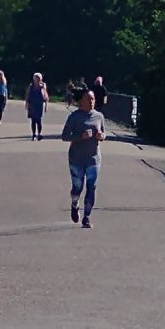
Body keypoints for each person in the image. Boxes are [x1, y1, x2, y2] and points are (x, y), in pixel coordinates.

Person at [61, 88, 105, 228]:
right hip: (76, 158)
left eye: (93, 99)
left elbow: (103, 134)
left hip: (93, 158)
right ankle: (74, 204)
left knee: (91, 187)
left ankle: (86, 217)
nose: (91, 102)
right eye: (88, 99)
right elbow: (64, 136)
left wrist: (101, 136)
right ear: (81, 101)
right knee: (77, 187)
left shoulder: (99, 116)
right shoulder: (74, 117)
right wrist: (81, 136)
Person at [25, 72, 49, 140]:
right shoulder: (30, 86)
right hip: (32, 104)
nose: (36, 79)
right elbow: (27, 95)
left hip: (39, 105)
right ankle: (33, 134)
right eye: (35, 78)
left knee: (38, 120)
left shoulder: (43, 86)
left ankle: (39, 134)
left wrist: (46, 106)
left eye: (38, 78)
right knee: (33, 120)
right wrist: (26, 104)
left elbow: (46, 96)